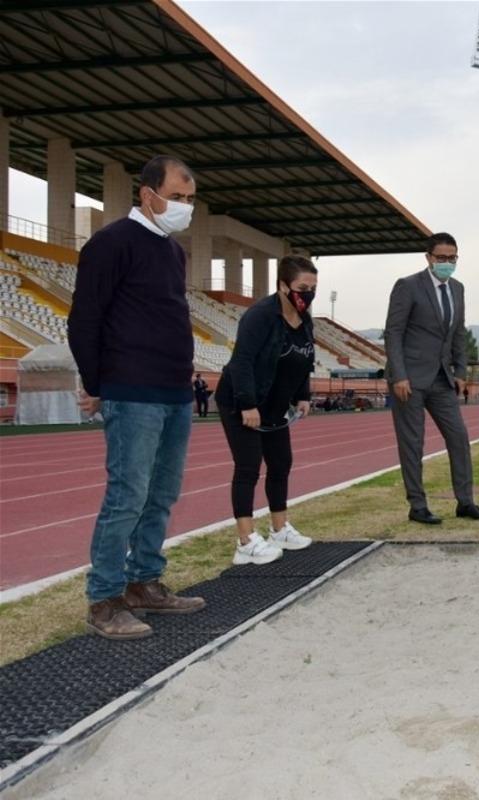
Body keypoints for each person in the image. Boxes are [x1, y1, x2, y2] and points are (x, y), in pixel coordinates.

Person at [66, 155, 206, 639]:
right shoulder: (110, 244)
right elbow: (85, 318)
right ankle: (104, 598)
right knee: (127, 494)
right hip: (132, 389)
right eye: (177, 196)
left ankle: (144, 582)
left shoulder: (172, 251)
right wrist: (96, 383)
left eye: (190, 199)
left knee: (162, 493)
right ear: (148, 194)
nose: (184, 207)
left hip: (174, 390)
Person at [215, 255, 318, 565]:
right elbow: (242, 360)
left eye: (313, 287)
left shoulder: (305, 319)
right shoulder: (260, 316)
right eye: (303, 287)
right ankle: (245, 541)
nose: (308, 293)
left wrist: (303, 395)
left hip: (275, 406)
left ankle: (279, 529)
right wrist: (247, 403)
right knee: (248, 466)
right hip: (242, 400)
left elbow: (303, 359)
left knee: (281, 463)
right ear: (283, 286)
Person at [385, 232, 479, 525]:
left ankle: (465, 502)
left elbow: (458, 332)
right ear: (428, 258)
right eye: (441, 258)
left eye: (452, 258)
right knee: (413, 444)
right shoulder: (407, 286)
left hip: (442, 379)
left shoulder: (457, 288)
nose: (447, 263)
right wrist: (398, 375)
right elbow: (393, 333)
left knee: (459, 437)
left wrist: (460, 372)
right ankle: (417, 506)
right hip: (409, 379)